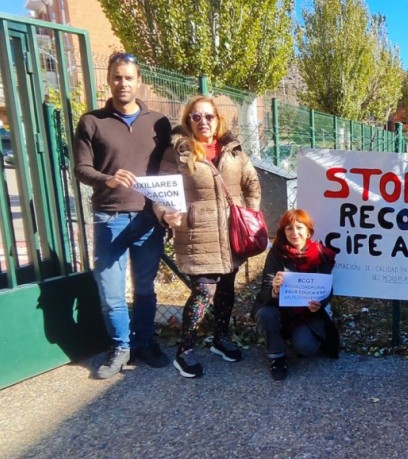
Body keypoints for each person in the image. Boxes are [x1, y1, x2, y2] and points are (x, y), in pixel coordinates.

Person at [73, 52, 172, 379]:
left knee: (145, 287)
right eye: (117, 77)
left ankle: (144, 341)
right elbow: (82, 169)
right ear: (109, 80)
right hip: (109, 218)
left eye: (128, 77)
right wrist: (108, 179)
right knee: (111, 290)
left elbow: (168, 166)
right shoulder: (91, 121)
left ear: (138, 80)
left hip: (148, 220)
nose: (123, 83)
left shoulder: (158, 122)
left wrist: (171, 205)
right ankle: (120, 347)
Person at [157, 95, 261, 378]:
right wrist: (166, 214)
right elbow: (162, 192)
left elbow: (252, 183)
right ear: (188, 121)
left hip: (232, 233)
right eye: (196, 117)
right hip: (196, 234)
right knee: (204, 291)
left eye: (209, 116)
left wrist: (250, 214)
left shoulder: (234, 151)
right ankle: (185, 350)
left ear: (218, 119)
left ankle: (221, 339)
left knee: (227, 288)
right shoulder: (176, 152)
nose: (203, 121)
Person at [252, 209, 338, 381]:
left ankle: (295, 336)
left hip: (306, 314)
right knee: (265, 313)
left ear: (308, 231)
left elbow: (327, 289)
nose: (294, 233)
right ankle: (277, 357)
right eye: (289, 228)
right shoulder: (276, 253)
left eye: (299, 227)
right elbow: (265, 291)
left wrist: (319, 303)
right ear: (283, 232)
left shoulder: (321, 253)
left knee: (305, 349)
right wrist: (275, 290)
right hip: (279, 310)